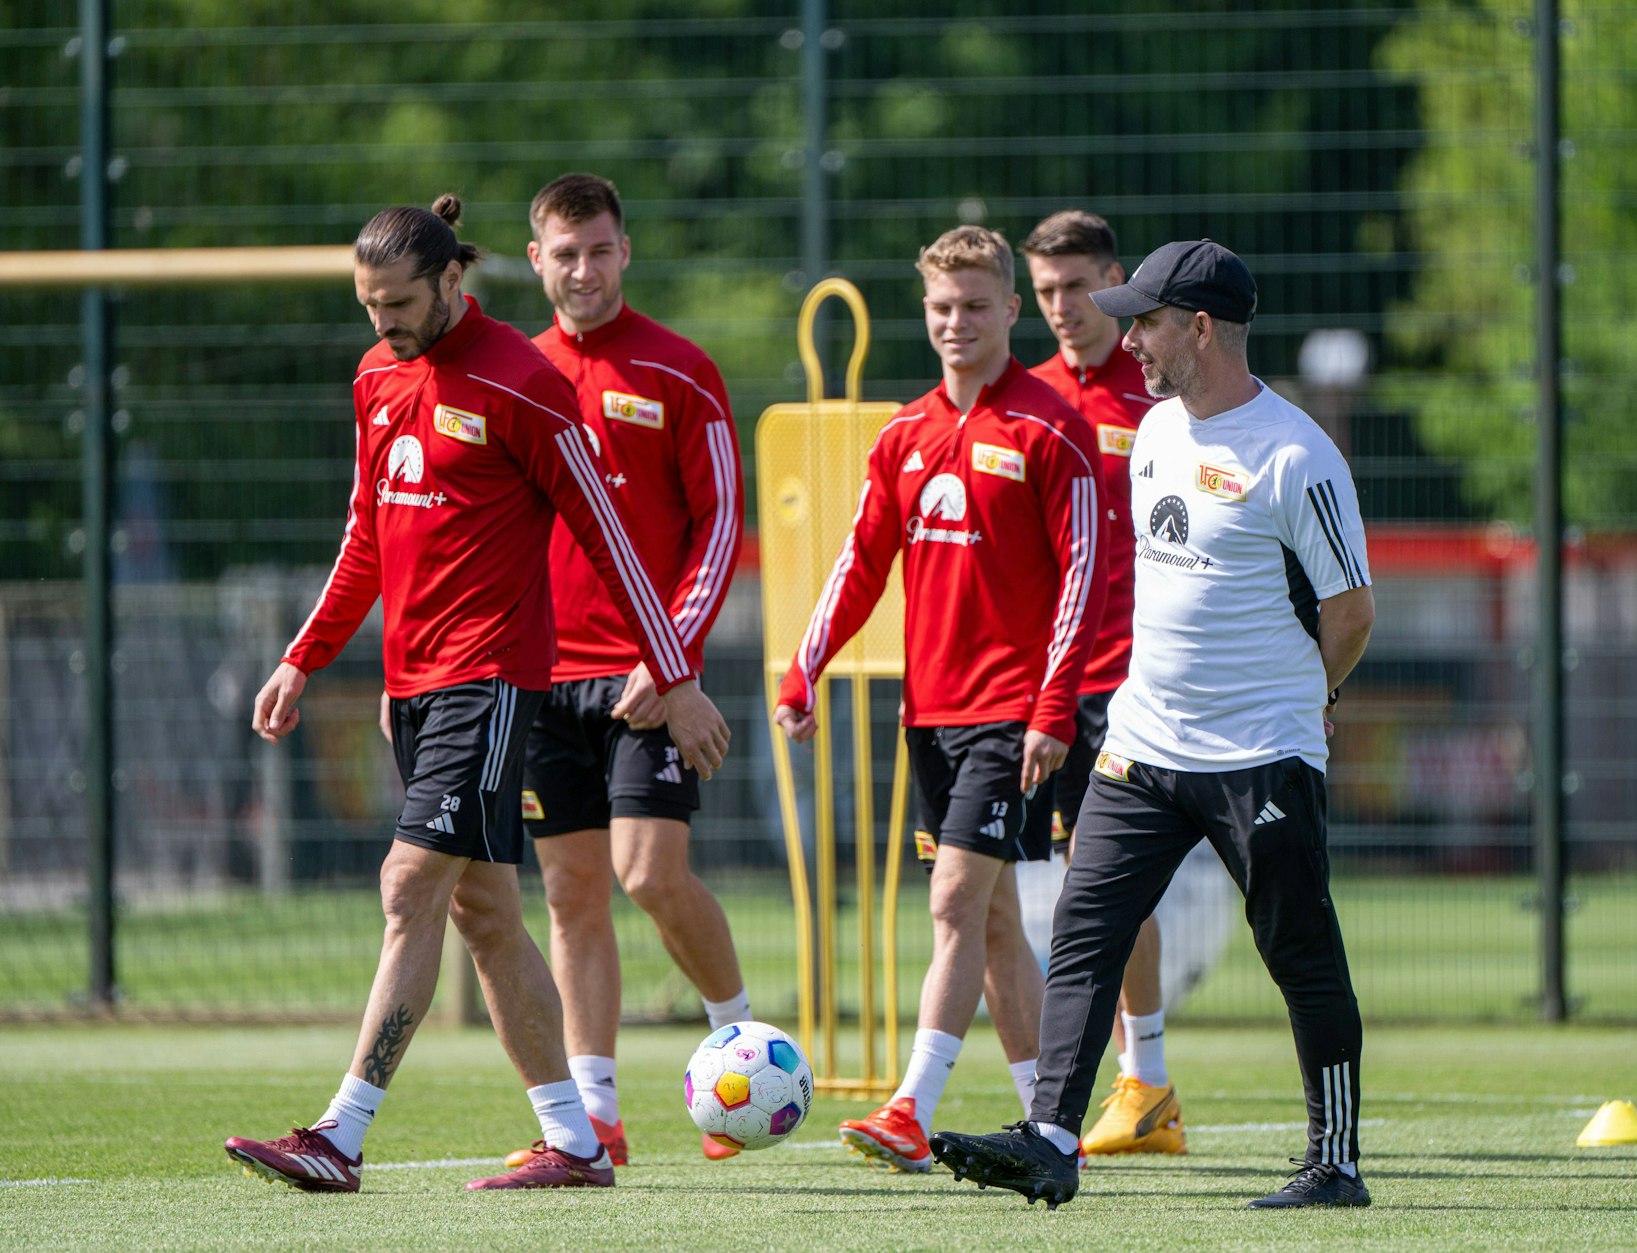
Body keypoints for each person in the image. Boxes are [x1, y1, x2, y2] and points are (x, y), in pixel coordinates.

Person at [224, 196, 731, 1194]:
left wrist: (674, 677)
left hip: (492, 680)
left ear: (454, 278)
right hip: (413, 685)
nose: (384, 322)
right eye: (369, 304)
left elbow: (610, 541)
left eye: (400, 301)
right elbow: (365, 534)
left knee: (408, 886)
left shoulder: (525, 383)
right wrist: (304, 656)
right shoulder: (375, 375)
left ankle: (341, 1130)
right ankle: (575, 1139)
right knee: (486, 914)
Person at [932, 240, 1376, 1211]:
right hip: (1143, 744)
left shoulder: (1297, 454)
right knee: (1085, 929)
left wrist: (1309, 699)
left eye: (1144, 320)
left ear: (1200, 328)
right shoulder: (1152, 435)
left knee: (1297, 951)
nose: (1125, 336)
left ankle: (1334, 1161)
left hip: (1261, 755)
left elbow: (1349, 611)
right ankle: (1051, 1136)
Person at [773, 225, 1105, 1174]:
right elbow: (859, 560)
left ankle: (910, 1107)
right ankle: (1052, 1122)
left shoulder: (1050, 428)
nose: (956, 323)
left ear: (1010, 309)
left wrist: (1053, 709)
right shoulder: (906, 433)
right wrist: (806, 669)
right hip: (932, 716)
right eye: (940, 308)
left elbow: (1086, 574)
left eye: (974, 306)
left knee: (956, 902)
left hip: (1014, 715)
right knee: (993, 924)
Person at [497, 173, 751, 1169]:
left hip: (647, 677)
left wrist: (671, 655)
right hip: (539, 677)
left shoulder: (679, 370)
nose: (584, 269)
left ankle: (742, 1045)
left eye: (599, 249)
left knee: (649, 872)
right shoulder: (514, 372)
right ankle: (596, 1111)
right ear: (537, 261)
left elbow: (722, 522)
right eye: (565, 253)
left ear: (624, 250)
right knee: (569, 895)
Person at [1021, 209, 1184, 1159]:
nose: (1062, 308)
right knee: (1032, 886)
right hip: (1045, 677)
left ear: (1114, 282)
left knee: (1105, 876)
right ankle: (1098, 1085)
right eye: (1043, 293)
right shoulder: (1030, 396)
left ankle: (1147, 1078)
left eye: (1077, 288)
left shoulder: (1158, 390)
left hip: (1135, 676)